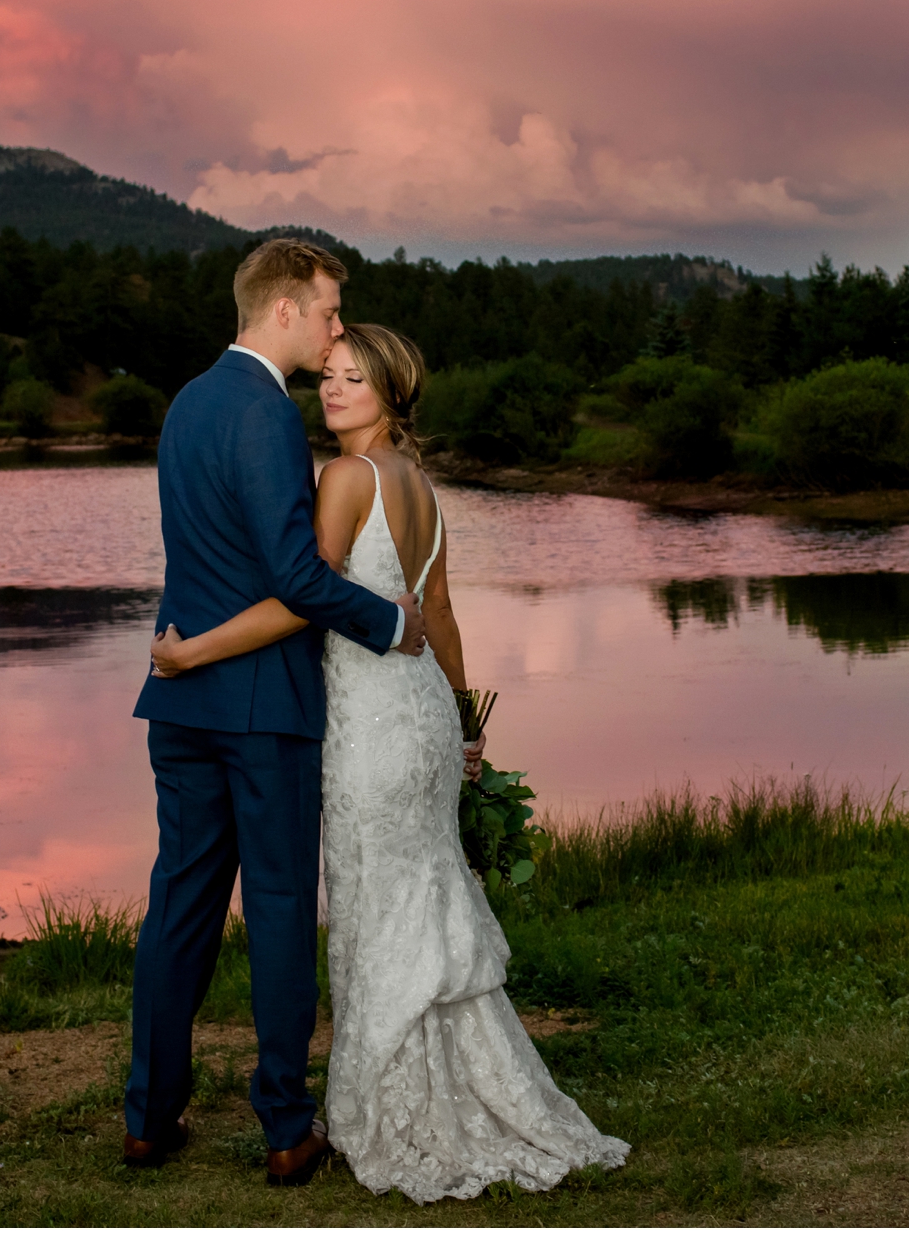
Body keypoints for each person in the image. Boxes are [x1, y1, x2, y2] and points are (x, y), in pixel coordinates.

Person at [151, 322, 630, 1203]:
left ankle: (382, 1105)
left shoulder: (344, 476)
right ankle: (442, 1083)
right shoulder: (424, 486)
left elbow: (305, 597)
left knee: (377, 906)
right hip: (419, 723)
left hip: (370, 727)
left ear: (391, 394)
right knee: (423, 894)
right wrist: (461, 717)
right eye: (327, 375)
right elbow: (439, 612)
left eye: (353, 380)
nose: (332, 391)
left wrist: (194, 653)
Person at [122, 239, 428, 1188]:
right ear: (287, 309)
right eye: (331, 311)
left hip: (182, 701)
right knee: (285, 910)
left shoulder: (187, 403)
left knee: (179, 905)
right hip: (265, 714)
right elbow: (297, 578)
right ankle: (286, 1127)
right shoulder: (264, 414)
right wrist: (390, 622)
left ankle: (148, 1117)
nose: (339, 328)